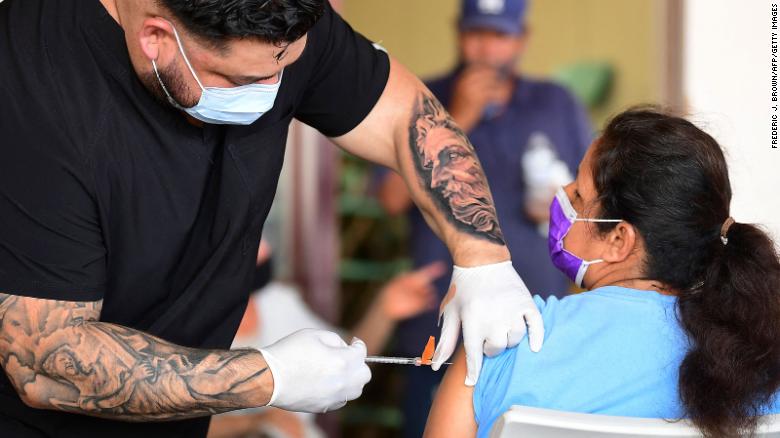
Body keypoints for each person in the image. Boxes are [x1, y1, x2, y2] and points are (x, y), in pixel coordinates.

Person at [0, 0, 545, 436]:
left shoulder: (275, 16)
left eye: (283, 71)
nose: (268, 96)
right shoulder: (32, 87)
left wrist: (484, 259)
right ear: (156, 39)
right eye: (238, 81)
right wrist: (269, 377)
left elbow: (405, 115)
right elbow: (43, 361)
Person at [423, 108, 780, 438]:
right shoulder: (761, 352)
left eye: (578, 195)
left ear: (619, 240)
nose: (562, 194)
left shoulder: (501, 345)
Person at [376, 0, 590, 434]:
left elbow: (592, 203)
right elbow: (391, 199)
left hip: (539, 321)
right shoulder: (421, 96)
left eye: (501, 36)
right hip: (441, 321)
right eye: (477, 34)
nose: (487, 50)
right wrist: (458, 116)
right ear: (458, 33)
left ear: (522, 39)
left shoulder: (555, 103)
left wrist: (557, 205)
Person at [208, 243, 445, 438]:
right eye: (250, 236)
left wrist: (384, 309)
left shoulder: (277, 302)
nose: (265, 247)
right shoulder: (194, 330)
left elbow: (343, 361)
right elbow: (176, 420)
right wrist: (256, 422)